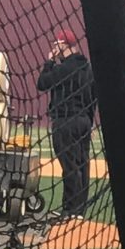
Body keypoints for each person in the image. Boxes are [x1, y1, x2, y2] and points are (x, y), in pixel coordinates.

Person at [37, 31, 97, 217]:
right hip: (84, 121)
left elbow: (42, 83)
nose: (55, 48)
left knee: (69, 165)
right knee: (82, 164)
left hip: (65, 120)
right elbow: (92, 98)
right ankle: (79, 209)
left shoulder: (63, 69)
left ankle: (70, 209)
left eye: (57, 45)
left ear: (64, 45)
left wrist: (49, 63)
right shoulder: (87, 68)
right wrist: (90, 121)